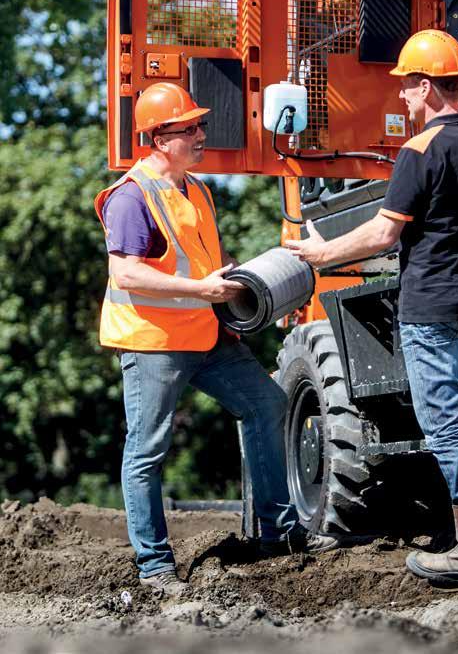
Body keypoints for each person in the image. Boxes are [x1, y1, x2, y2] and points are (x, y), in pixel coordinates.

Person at [286, 30, 458, 587]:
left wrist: (320, 252)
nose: (402, 96)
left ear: (427, 87)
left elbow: (383, 233)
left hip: (428, 308)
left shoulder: (418, 152)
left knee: (446, 425)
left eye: (407, 86)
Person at [95, 82, 330, 597]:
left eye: (199, 125)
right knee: (147, 451)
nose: (202, 133)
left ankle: (277, 534)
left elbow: (195, 264)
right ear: (159, 138)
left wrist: (228, 289)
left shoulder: (196, 188)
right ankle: (155, 566)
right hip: (154, 342)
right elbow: (128, 275)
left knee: (267, 404)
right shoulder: (132, 197)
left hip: (206, 332)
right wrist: (201, 288)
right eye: (189, 128)